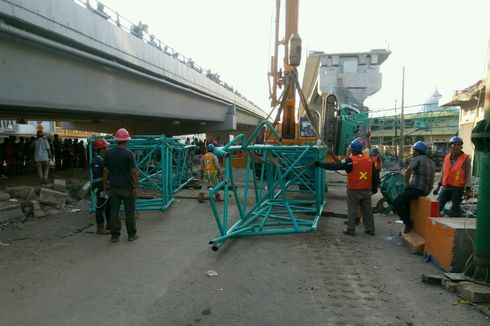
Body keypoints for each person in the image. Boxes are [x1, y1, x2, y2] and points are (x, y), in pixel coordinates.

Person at [314, 138, 379, 236]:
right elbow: (374, 175)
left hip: (354, 190)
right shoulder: (369, 160)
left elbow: (335, 166)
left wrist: (320, 165)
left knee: (352, 210)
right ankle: (370, 229)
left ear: (352, 150)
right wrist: (374, 187)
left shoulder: (350, 161)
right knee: (367, 210)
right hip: (366, 190)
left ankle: (351, 229)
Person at [103, 128, 139, 243]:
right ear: (126, 141)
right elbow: (133, 172)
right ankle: (131, 235)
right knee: (130, 212)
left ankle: (114, 236)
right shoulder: (129, 154)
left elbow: (105, 171)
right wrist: (136, 187)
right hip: (127, 188)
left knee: (114, 212)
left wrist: (105, 185)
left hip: (114, 188)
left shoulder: (108, 153)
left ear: (116, 140)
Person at [392, 141, 435, 234]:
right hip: (427, 190)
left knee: (396, 202)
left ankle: (408, 223)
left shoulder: (417, 159)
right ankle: (409, 221)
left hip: (418, 189)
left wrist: (407, 182)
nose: (413, 153)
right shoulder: (431, 161)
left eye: (414, 151)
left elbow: (408, 170)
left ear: (417, 151)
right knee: (406, 201)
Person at [432, 136, 472, 217]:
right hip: (446, 187)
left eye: (459, 145)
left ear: (462, 147)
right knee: (438, 206)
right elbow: (443, 172)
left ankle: (455, 222)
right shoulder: (447, 157)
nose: (457, 146)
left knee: (455, 209)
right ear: (450, 146)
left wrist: (468, 189)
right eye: (455, 145)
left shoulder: (466, 158)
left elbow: (468, 173)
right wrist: (438, 187)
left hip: (458, 188)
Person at [90, 138, 111, 235]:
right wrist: (104, 187)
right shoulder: (96, 161)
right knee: (101, 207)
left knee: (108, 205)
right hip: (101, 188)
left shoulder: (103, 160)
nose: (108, 149)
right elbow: (98, 177)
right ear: (102, 149)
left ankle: (108, 226)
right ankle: (100, 228)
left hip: (105, 188)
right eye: (106, 147)